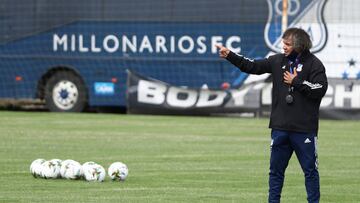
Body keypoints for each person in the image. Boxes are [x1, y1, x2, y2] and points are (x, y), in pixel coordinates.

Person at [216, 27, 327, 203]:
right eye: (283, 43)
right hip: (280, 128)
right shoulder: (277, 61)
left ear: (300, 45)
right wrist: (230, 55)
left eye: (288, 44)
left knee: (310, 172)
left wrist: (296, 81)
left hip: (304, 130)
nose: (283, 47)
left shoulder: (315, 64)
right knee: (275, 172)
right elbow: (251, 66)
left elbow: (320, 89)